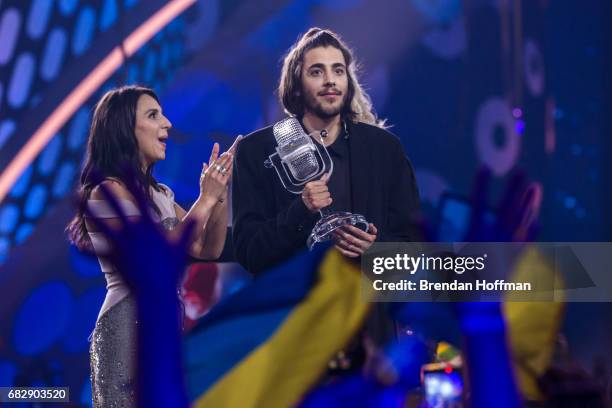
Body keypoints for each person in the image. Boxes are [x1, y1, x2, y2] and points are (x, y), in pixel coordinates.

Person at [232, 28, 420, 364]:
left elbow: (414, 243)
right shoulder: (257, 150)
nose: (330, 80)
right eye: (316, 72)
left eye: (338, 70)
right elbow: (250, 254)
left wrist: (376, 253)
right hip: (291, 337)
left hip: (369, 336)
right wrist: (300, 210)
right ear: (296, 85)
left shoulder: (383, 148)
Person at [66, 85, 239, 407]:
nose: (168, 124)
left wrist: (219, 196)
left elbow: (207, 249)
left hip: (164, 322)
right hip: (127, 323)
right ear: (125, 130)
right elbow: (161, 256)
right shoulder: (107, 192)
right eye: (153, 115)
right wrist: (205, 197)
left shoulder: (160, 194)